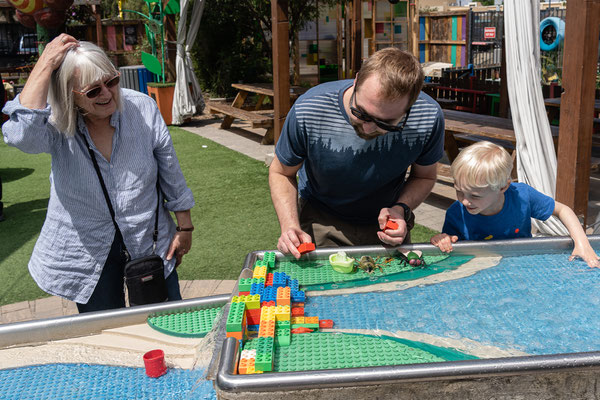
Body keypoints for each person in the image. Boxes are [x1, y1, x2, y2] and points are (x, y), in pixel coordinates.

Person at [2, 35, 195, 312]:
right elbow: (22, 135)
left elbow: (170, 169)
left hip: (148, 238)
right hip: (87, 247)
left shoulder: (141, 107)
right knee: (103, 330)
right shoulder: (55, 122)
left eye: (112, 81)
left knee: (165, 321)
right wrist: (45, 63)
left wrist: (184, 225)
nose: (106, 94)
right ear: (70, 94)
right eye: (93, 91)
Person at [269, 47, 445, 259]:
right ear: (356, 81)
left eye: (386, 123)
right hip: (321, 215)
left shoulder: (428, 117)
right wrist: (289, 225)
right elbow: (281, 172)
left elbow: (424, 176)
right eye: (361, 113)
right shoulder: (310, 108)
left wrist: (401, 209)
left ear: (412, 105)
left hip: (388, 222)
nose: (369, 129)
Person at [430, 141, 600, 268]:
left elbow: (563, 210)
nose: (464, 200)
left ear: (503, 187)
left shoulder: (522, 196)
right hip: (480, 267)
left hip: (522, 262)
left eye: (475, 195)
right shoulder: (456, 213)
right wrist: (443, 240)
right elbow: (452, 248)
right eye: (459, 191)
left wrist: (582, 244)